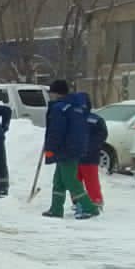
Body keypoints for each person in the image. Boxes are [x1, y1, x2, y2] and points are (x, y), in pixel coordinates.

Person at [41, 80, 99, 219]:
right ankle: (56, 209)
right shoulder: (77, 106)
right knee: (59, 180)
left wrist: (50, 148)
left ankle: (89, 208)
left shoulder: (59, 108)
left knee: (71, 180)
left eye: (52, 92)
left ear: (57, 93)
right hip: (75, 146)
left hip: (66, 148)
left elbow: (57, 131)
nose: (50, 95)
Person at [79, 109, 108, 208]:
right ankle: (79, 202)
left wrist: (90, 147)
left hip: (90, 156)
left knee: (91, 181)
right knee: (75, 181)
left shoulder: (96, 119)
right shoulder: (74, 117)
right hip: (75, 155)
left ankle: (96, 201)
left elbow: (102, 135)